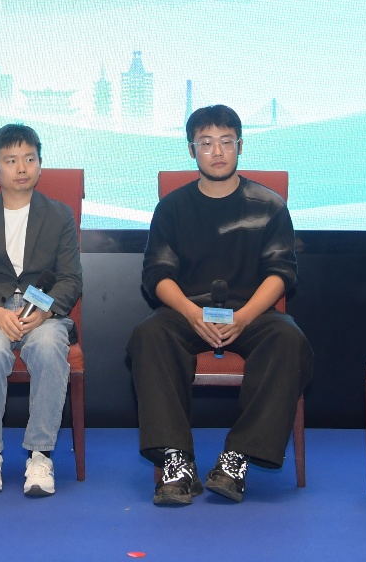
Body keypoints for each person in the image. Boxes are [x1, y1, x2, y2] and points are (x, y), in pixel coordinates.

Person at [127, 104, 312, 507]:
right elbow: (157, 274)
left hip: (251, 311)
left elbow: (281, 272)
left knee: (288, 340)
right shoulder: (172, 207)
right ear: (191, 150)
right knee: (149, 335)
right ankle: (177, 461)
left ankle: (237, 458)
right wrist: (191, 313)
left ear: (240, 147)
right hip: (187, 310)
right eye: (206, 143)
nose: (217, 152)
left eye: (226, 142)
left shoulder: (269, 204)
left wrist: (243, 318)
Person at [0, 124, 82, 496]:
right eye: (11, 161)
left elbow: (71, 278)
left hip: (42, 312)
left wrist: (45, 311)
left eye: (29, 159)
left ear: (40, 164)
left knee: (48, 347)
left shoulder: (59, 215)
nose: (22, 168)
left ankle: (40, 456)